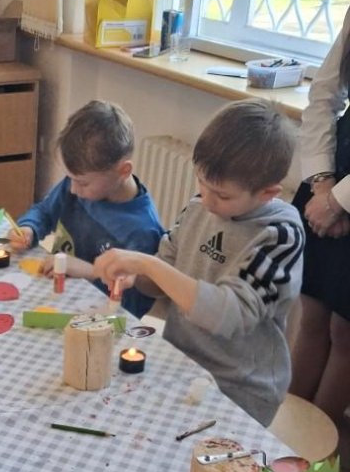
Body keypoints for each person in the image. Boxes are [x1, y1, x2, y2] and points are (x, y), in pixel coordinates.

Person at [94, 100, 304, 426]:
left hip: (240, 388)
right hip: (181, 363)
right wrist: (136, 275)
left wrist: (148, 265)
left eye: (222, 195)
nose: (206, 200)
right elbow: (162, 279)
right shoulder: (199, 207)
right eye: (201, 183)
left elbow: (226, 314)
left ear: (268, 193)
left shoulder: (281, 235)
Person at [7, 100, 165, 317]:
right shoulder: (80, 187)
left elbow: (131, 305)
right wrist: (29, 229)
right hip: (55, 295)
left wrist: (88, 271)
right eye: (70, 178)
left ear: (123, 171)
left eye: (82, 182)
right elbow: (44, 212)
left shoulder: (142, 230)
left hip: (96, 320)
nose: (73, 189)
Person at [289, 4, 350, 429]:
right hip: (334, 167)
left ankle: (315, 452)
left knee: (345, 333)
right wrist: (323, 184)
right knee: (312, 315)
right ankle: (284, 435)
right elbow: (325, 96)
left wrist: (340, 201)